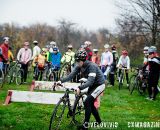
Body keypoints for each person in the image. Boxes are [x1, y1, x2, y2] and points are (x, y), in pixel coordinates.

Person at [57, 49, 105, 130]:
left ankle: (85, 126)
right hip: (93, 85)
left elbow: (90, 82)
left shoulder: (91, 66)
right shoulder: (79, 65)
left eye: (78, 61)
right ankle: (99, 121)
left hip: (99, 85)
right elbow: (70, 76)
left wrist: (80, 88)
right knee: (90, 104)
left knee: (87, 102)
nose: (77, 63)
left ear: (84, 60)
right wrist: (60, 80)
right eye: (76, 61)